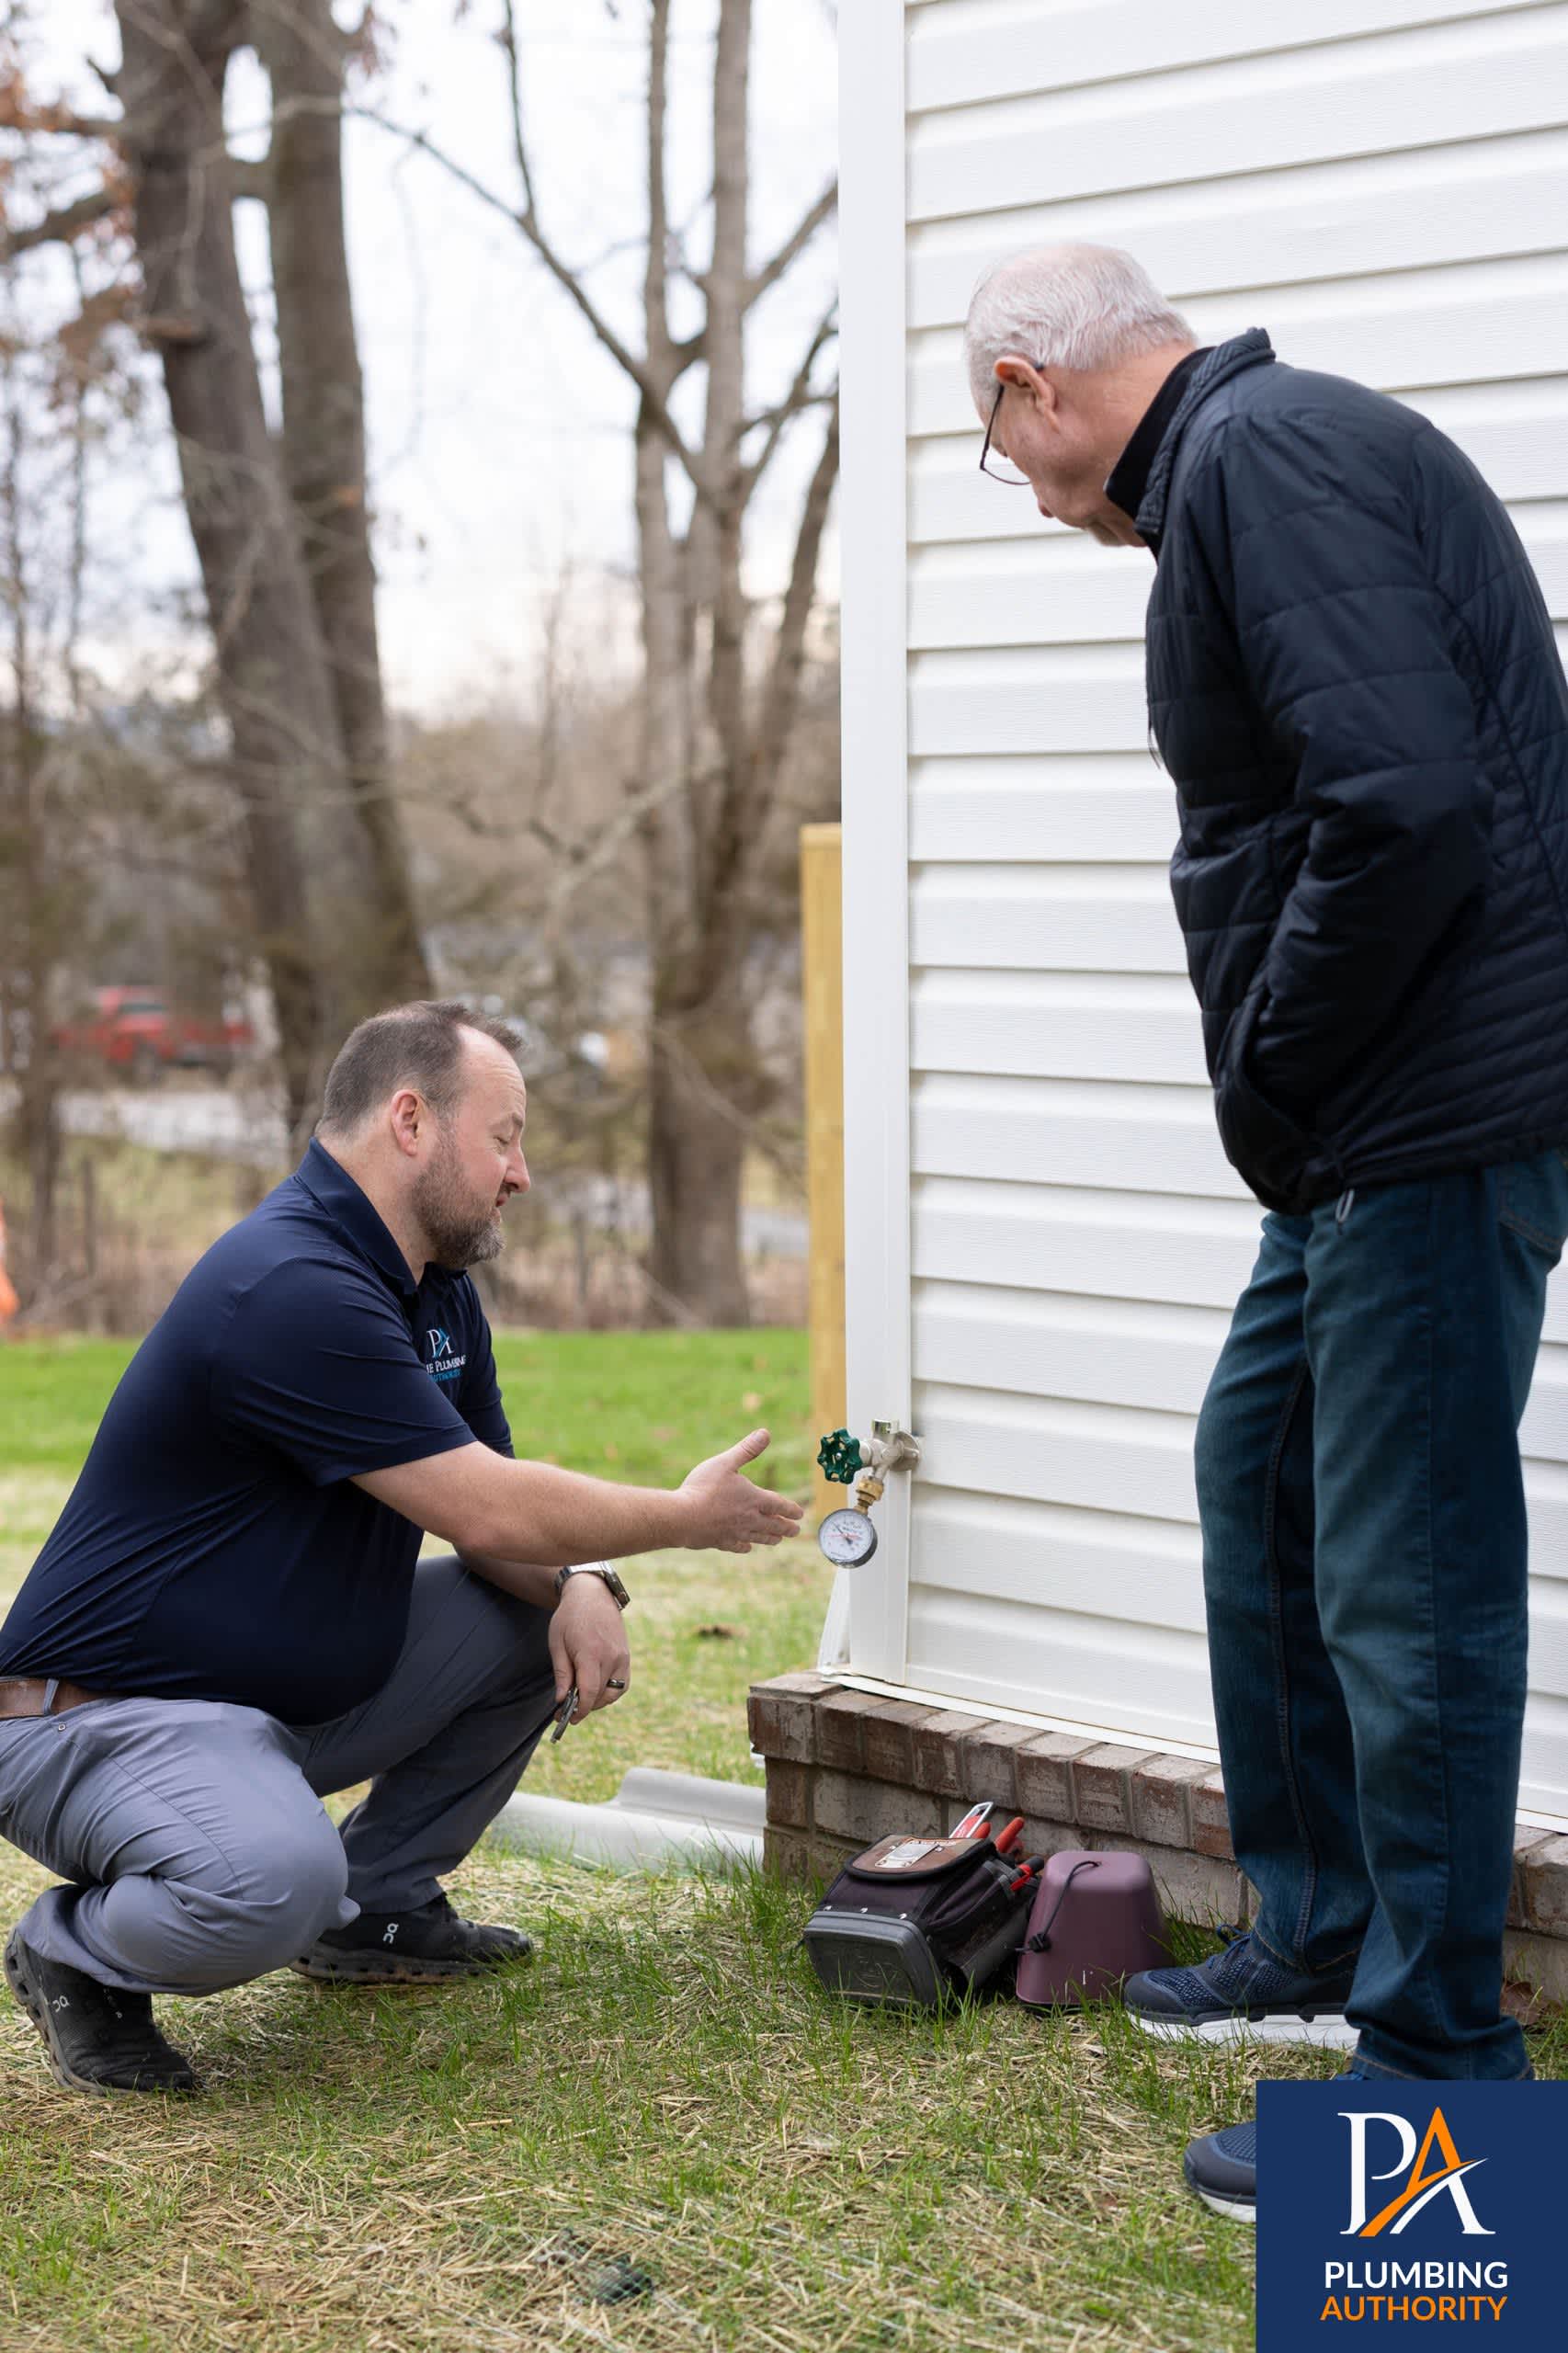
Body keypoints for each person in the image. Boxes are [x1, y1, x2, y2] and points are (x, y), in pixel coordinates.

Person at [963, 244, 1568, 2216]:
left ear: (1032, 386)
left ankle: (1435, 2076)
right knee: (1270, 1470)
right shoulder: (1257, 457)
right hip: (1363, 1130)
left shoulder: (1260, 459)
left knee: (1414, 1581)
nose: (1039, 495)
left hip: (1416, 1115)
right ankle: (1317, 1937)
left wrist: (1276, 1070)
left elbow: (1399, 805)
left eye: (1009, 449)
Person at [0, 1000, 801, 2097]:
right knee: (274, 1878)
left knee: (534, 1613)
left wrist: (577, 1582)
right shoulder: (289, 1284)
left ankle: (377, 1910)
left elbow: (508, 1531)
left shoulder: (434, 1292)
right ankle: (73, 1953)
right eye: (505, 1135)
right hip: (93, 1720)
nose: (520, 1173)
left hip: (265, 1709)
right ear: (411, 1120)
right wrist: (679, 1515)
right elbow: (491, 1511)